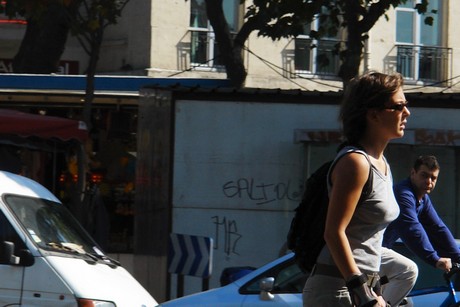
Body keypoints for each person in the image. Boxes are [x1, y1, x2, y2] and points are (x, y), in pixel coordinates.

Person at [302, 71, 417, 307]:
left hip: (361, 288)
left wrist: (380, 289)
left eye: (406, 105)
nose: (407, 112)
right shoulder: (355, 163)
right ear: (373, 114)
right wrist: (361, 290)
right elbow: (334, 232)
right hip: (336, 291)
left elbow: (367, 243)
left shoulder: (381, 163)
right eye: (398, 106)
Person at [383, 155, 460, 272]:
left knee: (382, 284)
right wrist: (434, 259)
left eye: (433, 178)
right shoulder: (403, 194)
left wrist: (457, 256)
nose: (429, 181)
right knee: (408, 271)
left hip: (379, 251)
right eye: (424, 175)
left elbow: (438, 228)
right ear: (413, 173)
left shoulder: (423, 199)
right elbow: (412, 228)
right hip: (366, 250)